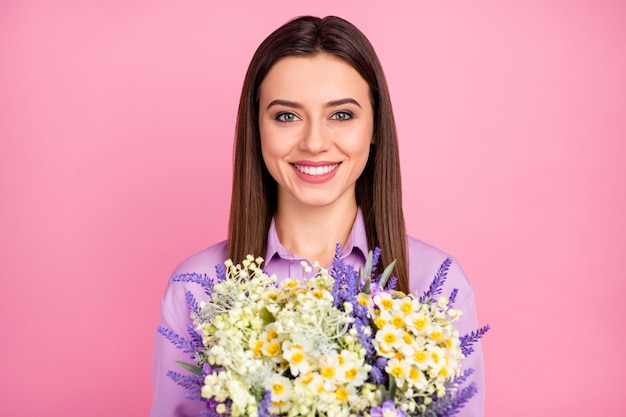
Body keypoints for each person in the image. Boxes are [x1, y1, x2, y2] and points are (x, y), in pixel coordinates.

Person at [151, 15, 484, 417]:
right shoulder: (196, 293)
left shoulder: (437, 284)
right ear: (257, 129)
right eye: (287, 116)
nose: (313, 142)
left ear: (375, 126)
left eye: (341, 115)